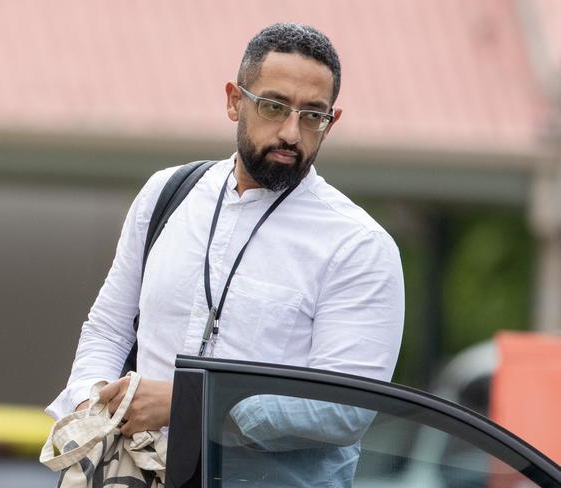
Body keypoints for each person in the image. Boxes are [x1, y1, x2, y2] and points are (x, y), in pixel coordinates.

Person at [47, 22, 404, 485]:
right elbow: (109, 328)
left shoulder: (359, 245)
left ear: (331, 122)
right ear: (235, 101)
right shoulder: (166, 194)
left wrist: (188, 406)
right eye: (274, 107)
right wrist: (93, 401)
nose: (292, 133)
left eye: (313, 115)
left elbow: (343, 410)